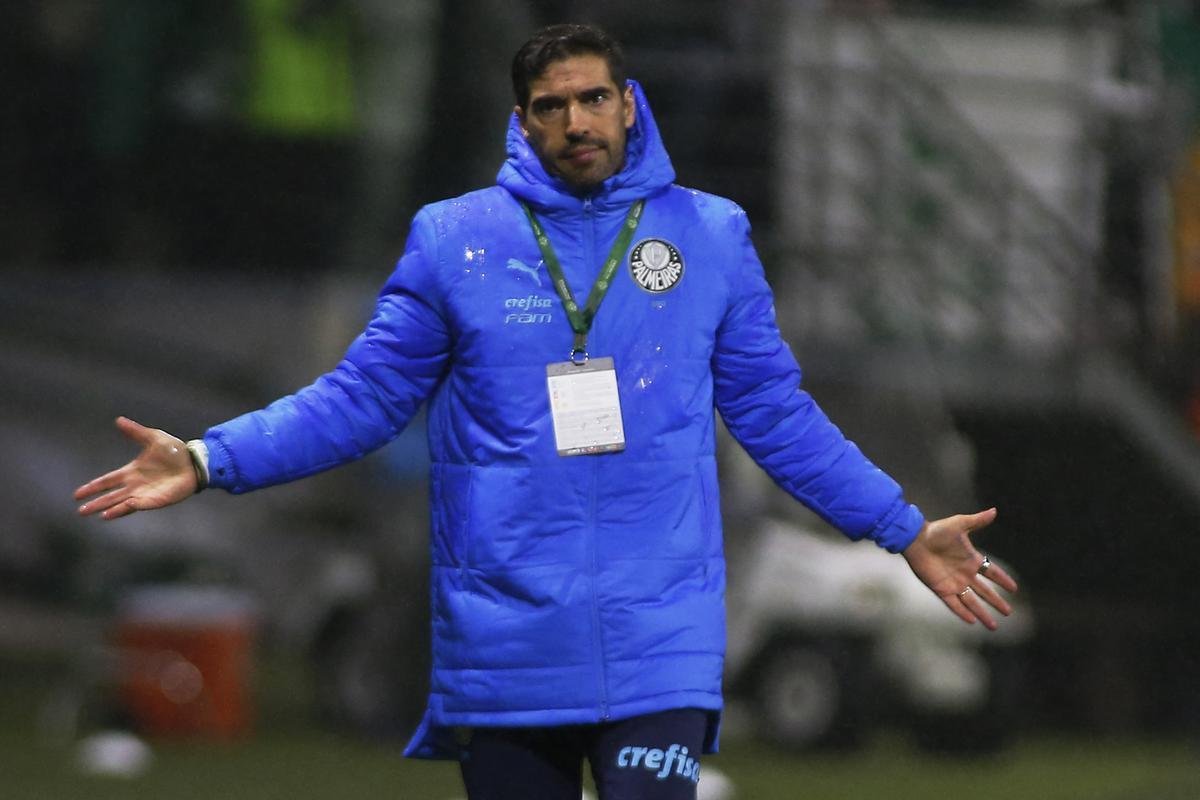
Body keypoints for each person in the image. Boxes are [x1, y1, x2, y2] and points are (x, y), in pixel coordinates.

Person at [75, 23, 1019, 800]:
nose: (576, 121)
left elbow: (777, 413)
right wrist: (207, 458)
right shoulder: (457, 241)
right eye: (551, 106)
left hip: (660, 634)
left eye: (593, 98)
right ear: (521, 123)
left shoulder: (710, 235)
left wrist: (899, 528)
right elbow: (360, 397)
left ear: (630, 104)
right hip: (509, 635)